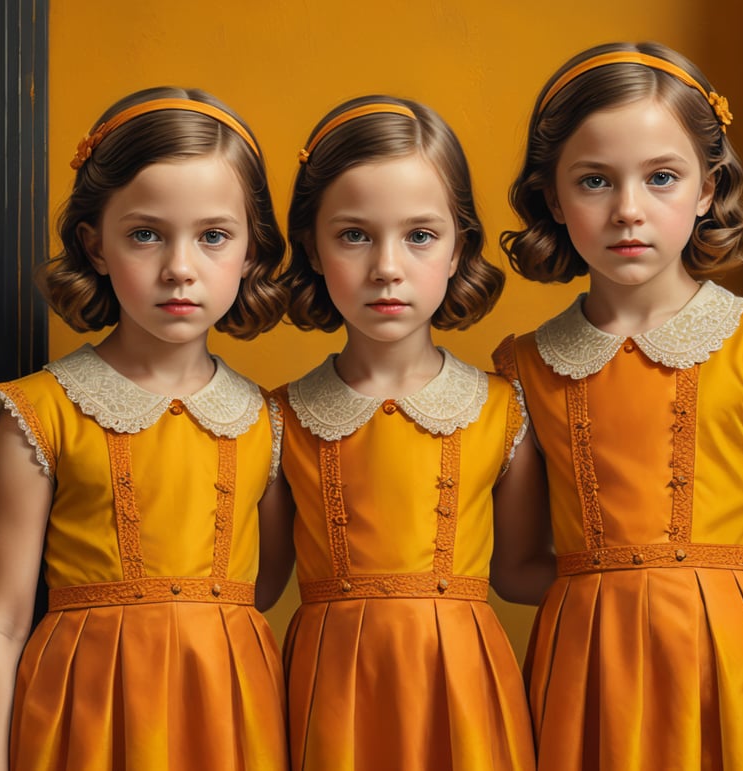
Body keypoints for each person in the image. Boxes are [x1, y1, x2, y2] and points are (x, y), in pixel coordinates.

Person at [492, 42, 743, 771]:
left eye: (662, 177)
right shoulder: (524, 369)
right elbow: (514, 567)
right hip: (595, 690)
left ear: (708, 188)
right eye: (593, 181)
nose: (628, 210)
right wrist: (635, 578)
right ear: (554, 196)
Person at [0, 87, 292, 771]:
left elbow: (262, 587)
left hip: (227, 718)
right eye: (146, 233)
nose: (180, 267)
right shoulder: (42, 411)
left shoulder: (267, 418)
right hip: (78, 718)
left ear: (250, 250)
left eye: (213, 235)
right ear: (95, 245)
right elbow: (0, 620)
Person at [268, 96, 537, 770]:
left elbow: (523, 571)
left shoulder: (505, 409)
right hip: (326, 699)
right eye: (354, 234)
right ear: (312, 245)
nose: (387, 266)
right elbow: (252, 589)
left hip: (464, 697)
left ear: (458, 249)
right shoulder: (277, 417)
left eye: (419, 235)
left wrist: (701, 555)